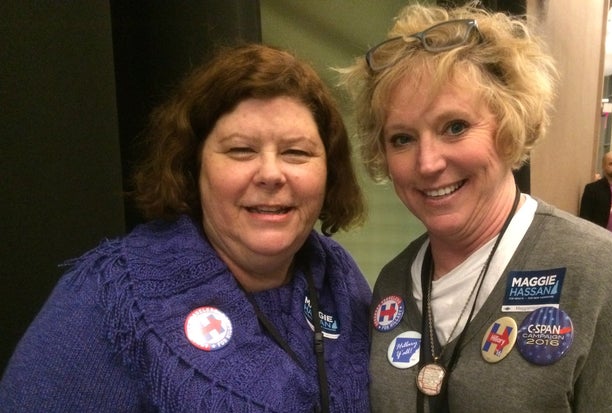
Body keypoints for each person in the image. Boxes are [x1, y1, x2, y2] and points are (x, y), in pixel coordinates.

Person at [338, 3, 612, 412]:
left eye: (455, 127)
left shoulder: (603, 279)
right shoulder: (395, 283)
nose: (427, 163)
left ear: (510, 127)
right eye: (402, 138)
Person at [0, 44, 372, 412]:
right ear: (192, 166)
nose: (272, 174)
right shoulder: (112, 297)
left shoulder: (336, 277)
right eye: (241, 150)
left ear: (330, 171)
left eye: (297, 152)